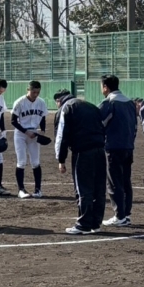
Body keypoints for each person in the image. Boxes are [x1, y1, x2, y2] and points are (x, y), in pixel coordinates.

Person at [54, 90, 107, 235]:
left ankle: (83, 224)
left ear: (58, 101)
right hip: (100, 151)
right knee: (98, 188)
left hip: (82, 152)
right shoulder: (92, 106)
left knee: (83, 188)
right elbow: (103, 128)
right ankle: (95, 223)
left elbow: (61, 135)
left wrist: (61, 159)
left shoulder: (66, 108)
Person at [98, 75, 137, 227]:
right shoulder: (130, 103)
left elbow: (100, 123)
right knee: (125, 180)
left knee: (114, 182)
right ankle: (126, 213)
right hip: (128, 146)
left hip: (113, 147)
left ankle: (119, 216)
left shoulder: (109, 103)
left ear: (105, 87)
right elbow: (134, 126)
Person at [11, 81, 48, 198]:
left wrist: (42, 131)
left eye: (37, 92)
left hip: (34, 134)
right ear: (28, 90)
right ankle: (21, 190)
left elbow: (43, 119)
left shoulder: (41, 102)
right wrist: (26, 132)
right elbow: (13, 121)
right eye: (33, 92)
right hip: (21, 134)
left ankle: (38, 190)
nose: (35, 94)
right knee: (21, 162)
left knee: (35, 162)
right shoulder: (19, 102)